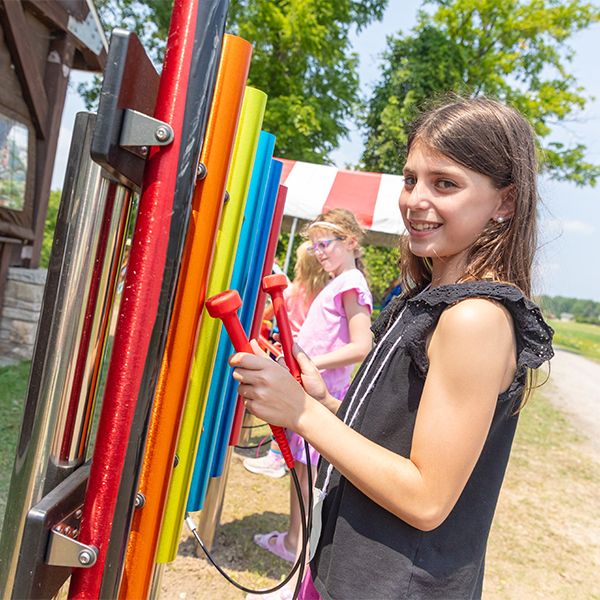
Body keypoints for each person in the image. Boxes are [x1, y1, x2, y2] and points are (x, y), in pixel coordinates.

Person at [231, 96, 554, 599]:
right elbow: (403, 444)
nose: (415, 200)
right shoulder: (429, 300)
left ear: (504, 203)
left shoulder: (476, 317)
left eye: (444, 183)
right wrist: (324, 403)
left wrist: (300, 414)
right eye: (410, 179)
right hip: (349, 571)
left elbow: (427, 497)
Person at [250, 208, 373, 566]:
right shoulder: (338, 281)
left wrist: (309, 363)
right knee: (301, 470)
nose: (318, 252)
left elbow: (361, 345)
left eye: (325, 244)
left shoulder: (352, 283)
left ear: (350, 241)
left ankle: (297, 543)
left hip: (320, 391)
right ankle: (295, 539)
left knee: (306, 472)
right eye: (314, 246)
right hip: (308, 387)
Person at [244, 241, 330, 478]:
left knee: (278, 403)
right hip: (305, 355)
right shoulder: (323, 292)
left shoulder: (292, 291)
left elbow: (267, 315)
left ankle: (275, 456)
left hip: (285, 352)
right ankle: (285, 454)